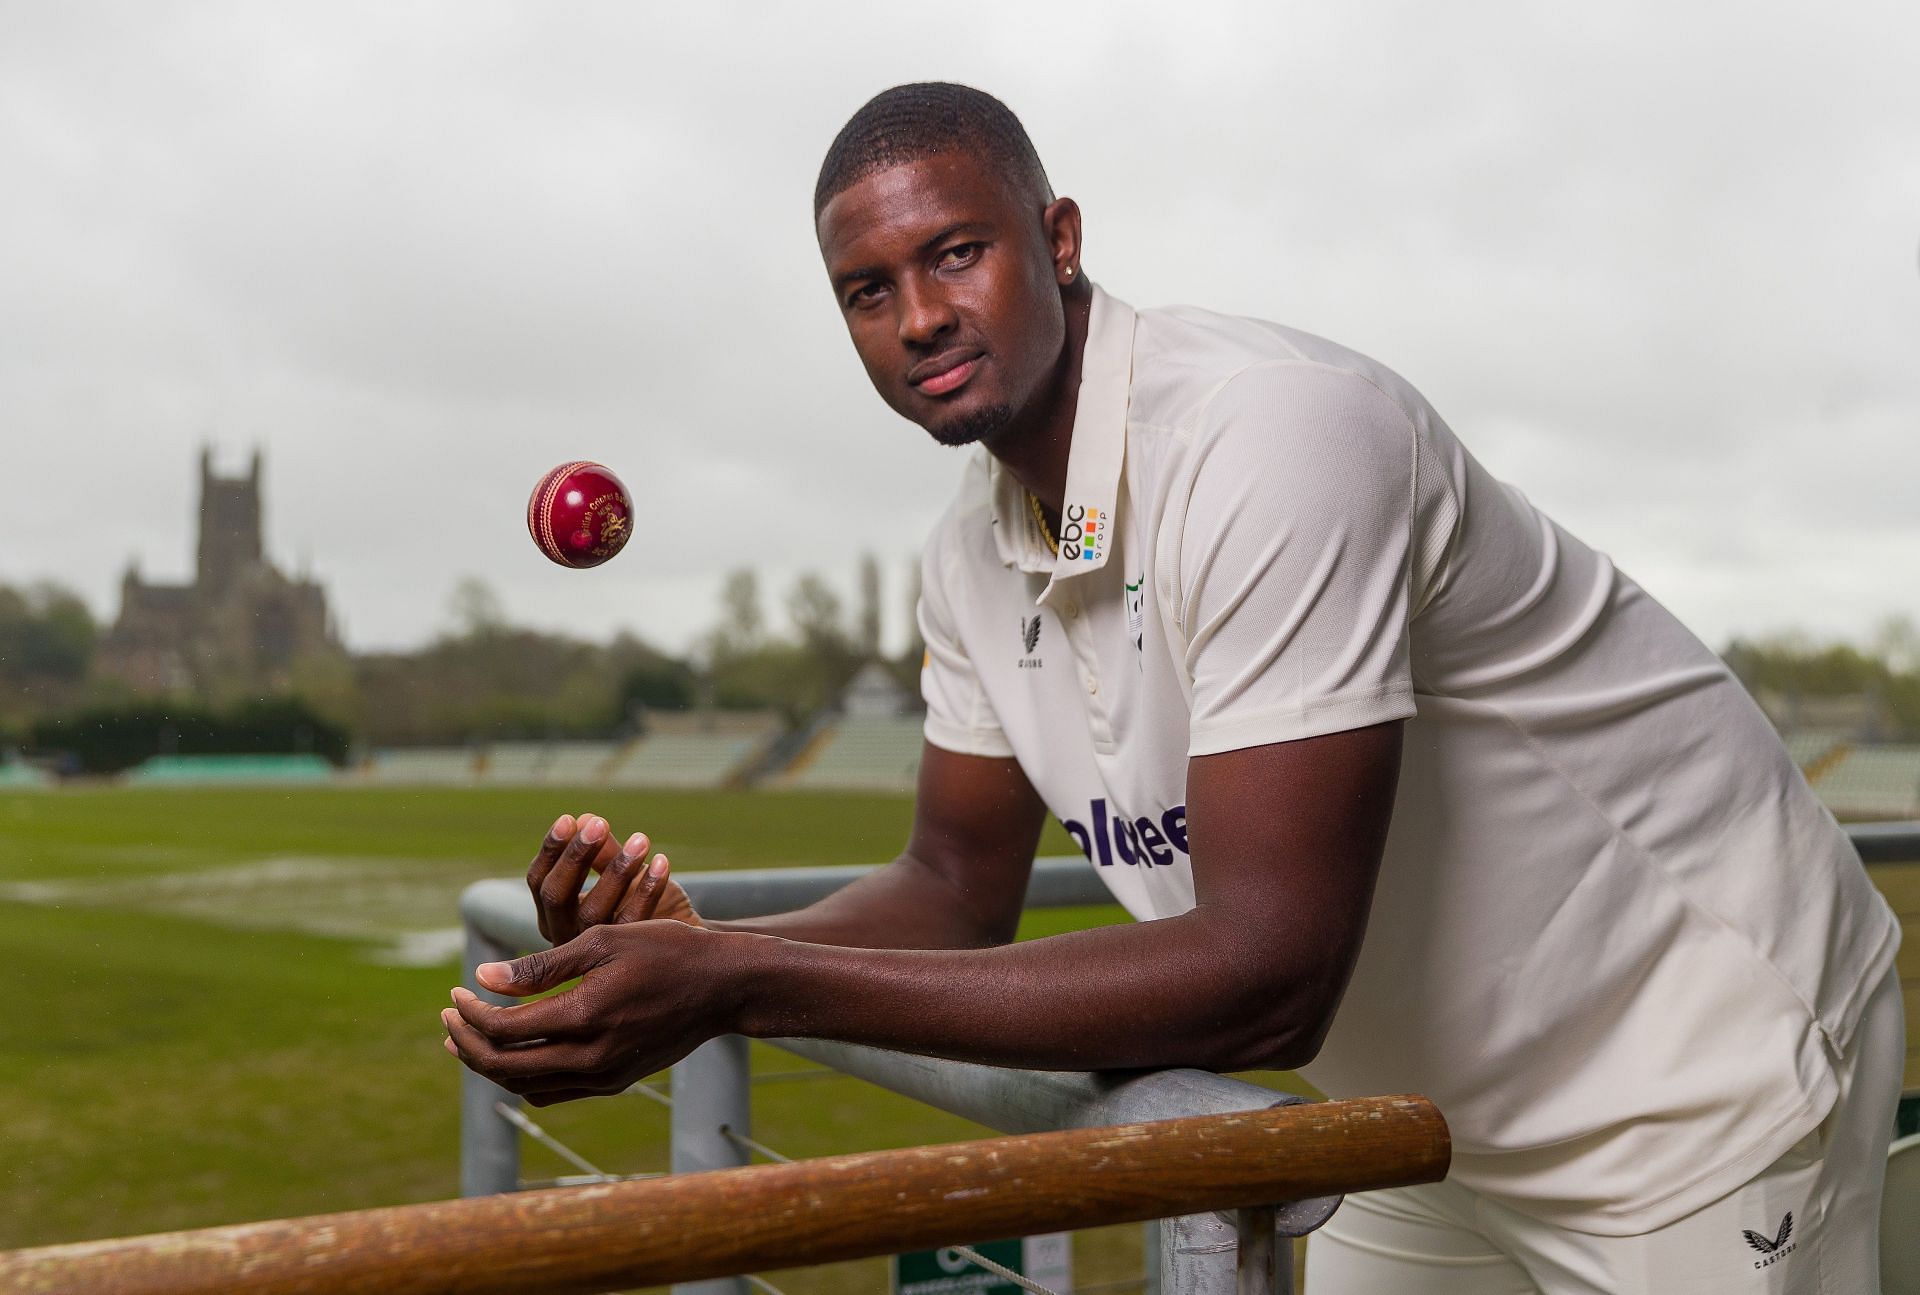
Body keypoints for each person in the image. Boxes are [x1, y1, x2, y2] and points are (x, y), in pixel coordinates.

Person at [444, 83, 1904, 1292]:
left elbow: (1269, 970)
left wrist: (746, 983)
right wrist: (685, 964)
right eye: (868, 291)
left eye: (958, 252)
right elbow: (954, 892)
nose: (920, 318)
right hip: (1431, 1121)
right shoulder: (971, 554)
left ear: (1059, 237)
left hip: (1691, 1074)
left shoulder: (1275, 435)